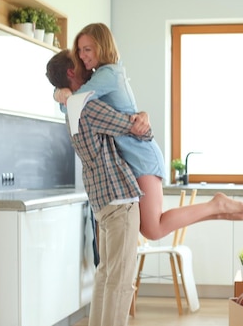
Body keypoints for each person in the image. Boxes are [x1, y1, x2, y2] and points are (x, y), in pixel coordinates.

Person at [53, 23, 243, 241]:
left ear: (102, 46)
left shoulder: (108, 74)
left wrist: (60, 95)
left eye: (87, 49)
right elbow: (74, 98)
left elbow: (74, 104)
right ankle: (217, 210)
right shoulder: (102, 74)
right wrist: (59, 91)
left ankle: (216, 205)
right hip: (134, 154)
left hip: (141, 154)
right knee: (150, 228)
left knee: (153, 229)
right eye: (80, 50)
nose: (82, 55)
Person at [46, 49, 149, 326]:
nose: (85, 62)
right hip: (119, 200)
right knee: (121, 282)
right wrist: (143, 118)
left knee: (106, 277)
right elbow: (137, 129)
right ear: (71, 72)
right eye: (79, 60)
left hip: (103, 204)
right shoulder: (86, 106)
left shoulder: (71, 107)